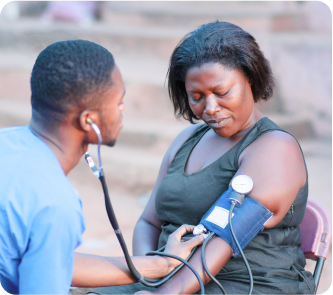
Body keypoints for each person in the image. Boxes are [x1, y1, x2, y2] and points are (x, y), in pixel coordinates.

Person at [89, 21, 316, 295]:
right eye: (196, 96)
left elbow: (223, 237)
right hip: (169, 277)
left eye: (222, 93)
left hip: (244, 284)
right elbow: (149, 222)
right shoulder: (187, 140)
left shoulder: (274, 148)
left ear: (251, 79)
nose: (210, 108)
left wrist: (163, 293)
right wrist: (150, 274)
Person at [0, 40, 206, 295]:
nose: (123, 112)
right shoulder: (54, 204)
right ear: (89, 121)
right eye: (118, 103)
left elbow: (53, 259)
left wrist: (161, 264)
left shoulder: (6, 143)